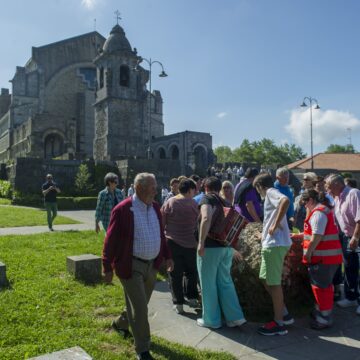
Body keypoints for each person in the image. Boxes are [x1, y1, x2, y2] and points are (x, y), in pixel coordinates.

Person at [102, 173, 173, 360]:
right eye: (153, 187)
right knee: (141, 309)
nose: (156, 191)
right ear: (140, 188)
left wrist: (167, 256)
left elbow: (160, 234)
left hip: (152, 266)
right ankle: (143, 349)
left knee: (138, 304)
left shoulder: (155, 207)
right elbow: (111, 240)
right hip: (130, 265)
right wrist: (107, 266)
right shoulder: (123, 209)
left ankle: (120, 324)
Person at [197, 176, 246, 329]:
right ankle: (235, 317)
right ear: (219, 188)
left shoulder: (207, 199)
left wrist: (201, 242)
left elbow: (205, 218)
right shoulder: (225, 202)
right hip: (225, 248)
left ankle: (211, 320)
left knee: (208, 284)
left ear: (206, 187)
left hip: (210, 248)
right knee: (225, 282)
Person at [253, 173, 293, 336]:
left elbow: (285, 201)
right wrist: (263, 235)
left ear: (260, 186)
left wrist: (274, 226)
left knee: (274, 284)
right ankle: (283, 313)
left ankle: (279, 323)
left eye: (257, 189)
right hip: (271, 243)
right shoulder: (269, 195)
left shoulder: (270, 192)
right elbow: (272, 216)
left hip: (274, 245)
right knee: (265, 279)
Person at [299, 189, 343, 329]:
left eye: (305, 203)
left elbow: (317, 236)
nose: (305, 206)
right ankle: (321, 311)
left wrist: (308, 253)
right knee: (325, 286)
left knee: (321, 288)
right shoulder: (323, 210)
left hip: (322, 259)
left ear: (310, 200)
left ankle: (324, 318)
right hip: (329, 258)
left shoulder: (318, 213)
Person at [161, 178, 199, 313]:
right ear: (190, 190)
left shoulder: (170, 202)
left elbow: (162, 222)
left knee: (175, 273)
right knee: (191, 272)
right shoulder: (194, 204)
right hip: (190, 243)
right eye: (194, 189)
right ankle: (193, 297)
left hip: (172, 242)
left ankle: (178, 303)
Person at [325, 174, 360, 315]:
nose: (327, 190)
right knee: (349, 267)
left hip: (356, 236)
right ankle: (351, 297)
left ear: (337, 184)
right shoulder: (337, 198)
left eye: (328, 186)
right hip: (346, 236)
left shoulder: (353, 193)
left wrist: (356, 237)